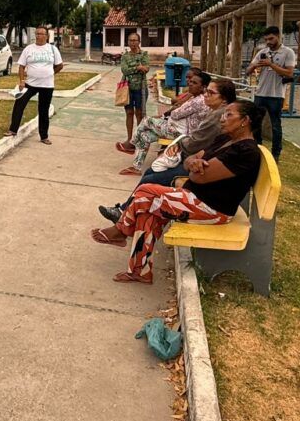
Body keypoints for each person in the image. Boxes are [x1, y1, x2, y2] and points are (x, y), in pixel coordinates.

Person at [90, 100, 263, 284]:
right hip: (194, 198)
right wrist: (193, 164)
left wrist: (193, 167)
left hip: (212, 209)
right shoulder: (226, 139)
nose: (222, 119)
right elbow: (191, 159)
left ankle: (121, 230)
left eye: (229, 115)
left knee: (145, 193)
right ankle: (140, 271)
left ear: (245, 121)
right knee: (148, 211)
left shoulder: (245, 151)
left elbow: (199, 178)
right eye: (223, 114)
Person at [99, 78, 239, 223]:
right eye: (206, 91)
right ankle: (124, 211)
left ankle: (124, 214)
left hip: (198, 165)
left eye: (211, 93)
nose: (206, 95)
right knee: (150, 171)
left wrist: (177, 146)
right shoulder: (213, 110)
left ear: (224, 99)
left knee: (150, 180)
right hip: (193, 156)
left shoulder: (218, 116)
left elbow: (195, 143)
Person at [118, 71, 212, 175]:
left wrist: (176, 110)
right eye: (190, 81)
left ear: (203, 87)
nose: (190, 83)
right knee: (145, 136)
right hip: (177, 129)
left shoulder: (198, 101)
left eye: (194, 83)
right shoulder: (196, 98)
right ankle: (136, 167)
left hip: (180, 134)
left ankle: (132, 144)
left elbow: (175, 114)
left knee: (146, 120)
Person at [6, 26, 64, 144]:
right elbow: (21, 66)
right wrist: (22, 81)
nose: (38, 36)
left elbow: (60, 65)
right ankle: (13, 130)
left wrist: (50, 73)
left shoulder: (52, 49)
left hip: (47, 85)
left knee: (43, 110)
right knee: (19, 103)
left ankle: (44, 136)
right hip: (30, 84)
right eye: (37, 34)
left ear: (47, 36)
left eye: (41, 34)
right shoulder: (29, 49)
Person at [245, 25, 295, 161]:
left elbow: (289, 73)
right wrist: (255, 65)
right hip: (260, 93)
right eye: (266, 39)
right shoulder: (263, 51)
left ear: (278, 36)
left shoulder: (288, 52)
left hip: (276, 94)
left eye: (271, 38)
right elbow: (247, 70)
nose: (268, 42)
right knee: (255, 123)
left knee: (275, 125)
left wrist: (270, 64)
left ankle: (276, 153)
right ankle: (258, 149)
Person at [116, 33, 150, 153]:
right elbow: (124, 70)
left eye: (135, 40)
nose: (133, 43)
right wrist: (138, 68)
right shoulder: (125, 56)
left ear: (139, 42)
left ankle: (138, 139)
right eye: (130, 40)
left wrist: (140, 68)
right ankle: (130, 139)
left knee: (140, 113)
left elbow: (146, 68)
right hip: (127, 89)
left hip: (141, 88)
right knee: (129, 113)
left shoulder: (144, 54)